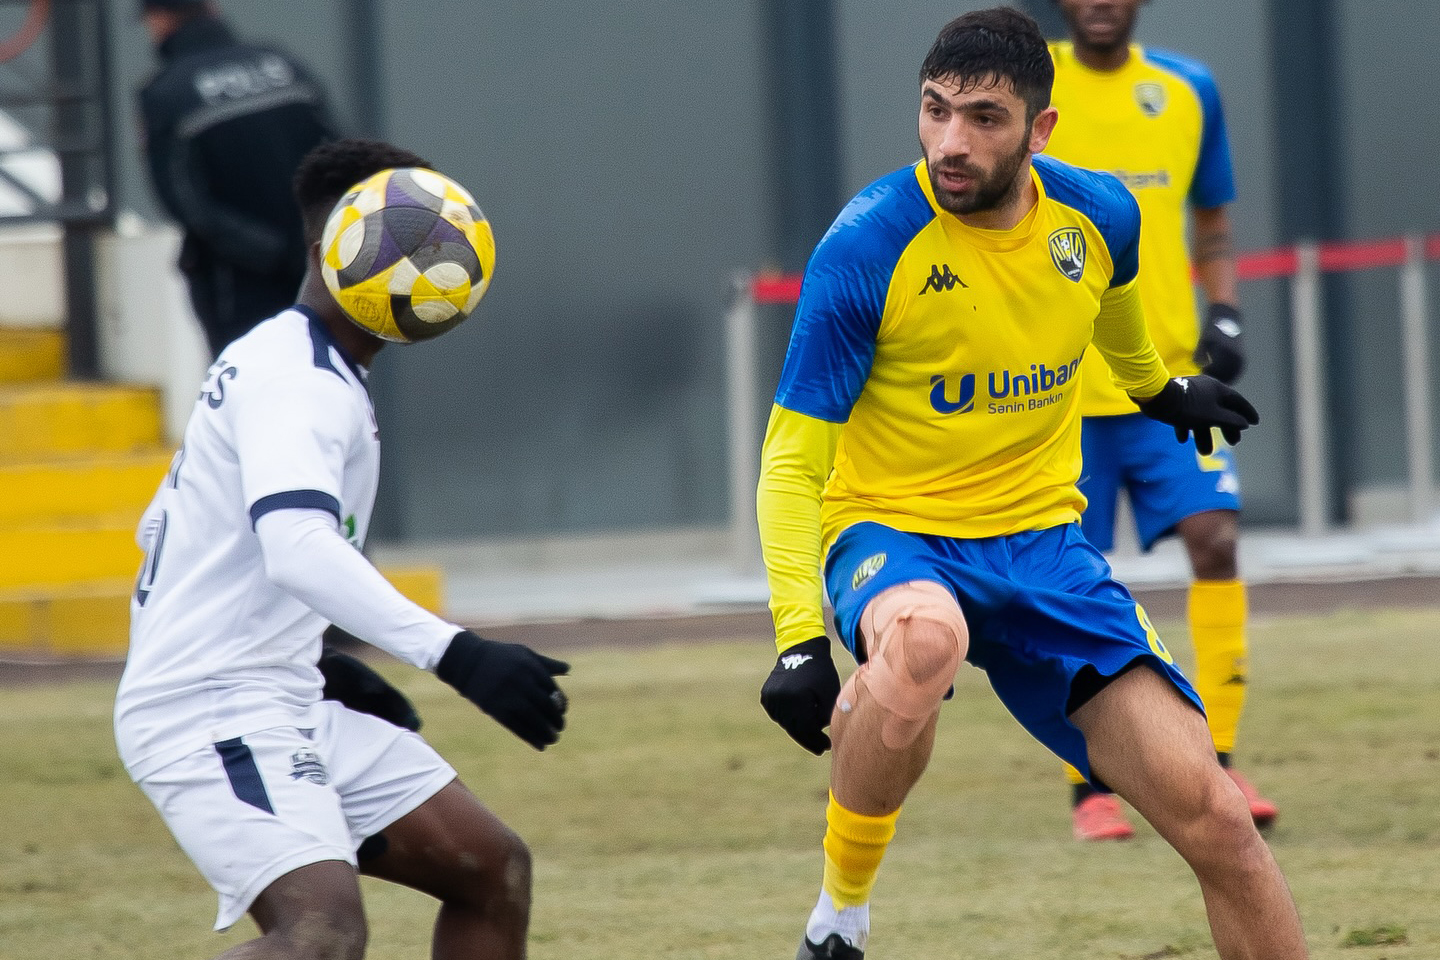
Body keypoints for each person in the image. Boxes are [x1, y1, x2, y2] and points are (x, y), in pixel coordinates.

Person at [755, 9, 1307, 959]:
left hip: (1047, 549)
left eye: (983, 118)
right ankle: (839, 917)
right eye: (935, 110)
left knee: (1221, 823)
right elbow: (791, 462)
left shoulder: (1101, 217)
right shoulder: (867, 245)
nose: (950, 143)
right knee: (925, 641)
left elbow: (1116, 325)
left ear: (1040, 129)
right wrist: (800, 639)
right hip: (893, 530)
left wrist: (1162, 391)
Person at [114, 138, 571, 960]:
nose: (421, 261)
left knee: (490, 868)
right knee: (319, 936)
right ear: (333, 245)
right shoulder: (301, 382)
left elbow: (166, 531)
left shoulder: (289, 357)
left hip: (280, 692)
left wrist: (317, 660)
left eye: (430, 242)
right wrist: (457, 655)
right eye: (404, 240)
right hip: (212, 710)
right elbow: (295, 547)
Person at [1044, 0, 1276, 842]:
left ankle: (1220, 759)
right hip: (1058, 390)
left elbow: (1211, 219)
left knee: (1216, 539)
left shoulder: (1188, 88)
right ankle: (1090, 788)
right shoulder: (1033, 83)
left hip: (1166, 384)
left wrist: (1227, 312)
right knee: (1068, 582)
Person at [138, 0, 337, 357]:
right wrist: (309, 243)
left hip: (237, 285)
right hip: (321, 265)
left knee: (256, 382)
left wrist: (269, 253)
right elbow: (342, 157)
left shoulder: (165, 93)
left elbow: (185, 202)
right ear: (212, 7)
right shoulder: (282, 64)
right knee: (331, 373)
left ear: (158, 20)